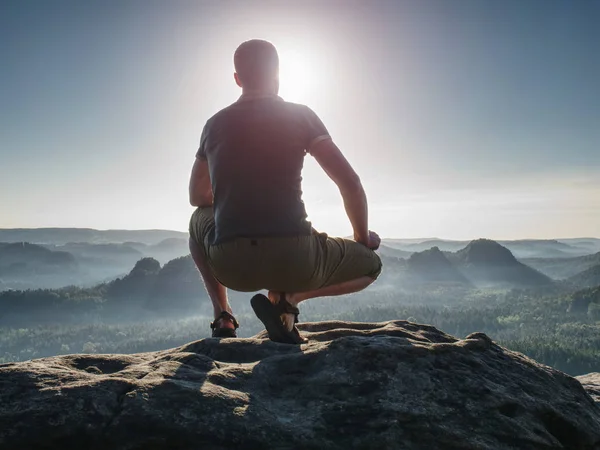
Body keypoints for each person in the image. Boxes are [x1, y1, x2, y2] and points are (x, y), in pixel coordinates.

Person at [188, 39, 382, 344]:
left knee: (197, 220)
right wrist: (361, 240)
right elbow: (350, 183)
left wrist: (232, 203)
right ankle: (289, 299)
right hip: (297, 258)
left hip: (232, 264)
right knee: (372, 266)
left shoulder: (214, 125)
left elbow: (197, 198)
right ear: (279, 74)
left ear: (238, 79)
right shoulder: (301, 115)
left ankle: (223, 316)